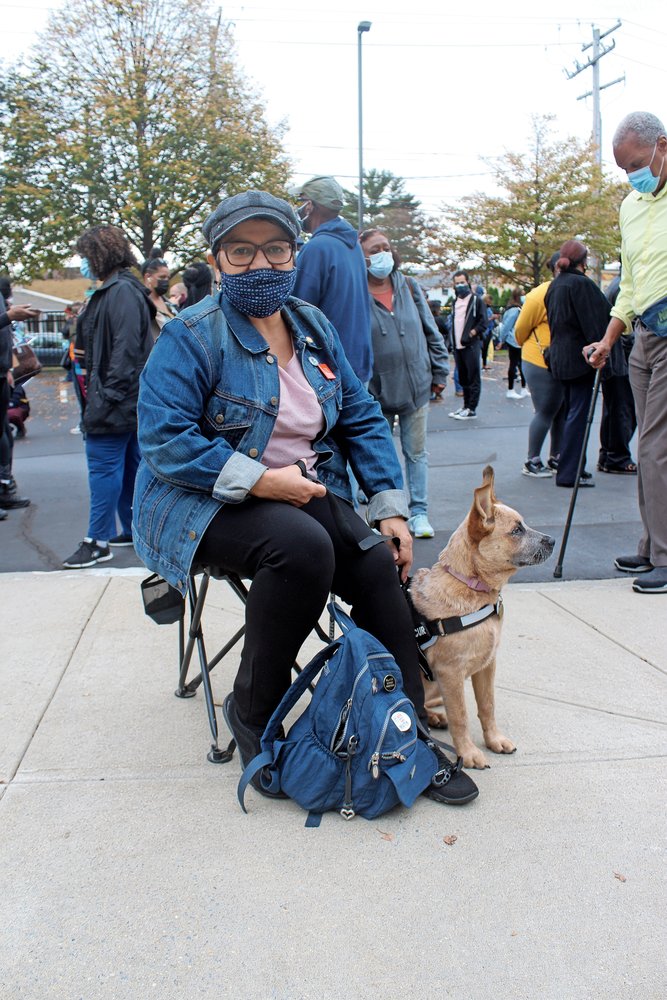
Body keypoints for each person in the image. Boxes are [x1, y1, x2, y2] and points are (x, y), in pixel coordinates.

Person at [132, 189, 477, 806]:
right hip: (202, 500)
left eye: (275, 249)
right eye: (241, 252)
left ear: (295, 252)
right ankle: (254, 714)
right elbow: (165, 441)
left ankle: (405, 731)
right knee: (301, 547)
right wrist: (264, 481)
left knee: (374, 556)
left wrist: (390, 506)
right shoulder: (191, 335)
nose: (260, 265)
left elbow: (363, 417)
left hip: (303, 489)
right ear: (217, 260)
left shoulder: (312, 325)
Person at [587, 111, 667, 595]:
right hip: (643, 334)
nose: (632, 177)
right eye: (623, 170)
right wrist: (610, 338)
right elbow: (631, 282)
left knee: (657, 447)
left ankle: (664, 555)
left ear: (663, 146)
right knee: (647, 448)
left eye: (636, 164)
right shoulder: (632, 206)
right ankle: (652, 542)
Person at [62, 224, 155, 567]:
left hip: (115, 401)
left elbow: (125, 350)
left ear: (99, 255)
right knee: (129, 466)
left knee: (103, 468)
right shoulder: (122, 290)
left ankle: (96, 540)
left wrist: (106, 397)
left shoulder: (121, 292)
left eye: (86, 256)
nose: (84, 262)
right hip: (123, 400)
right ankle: (132, 529)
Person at [359, 229, 449, 539]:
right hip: (377, 394)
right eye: (374, 249)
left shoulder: (409, 286)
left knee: (416, 454)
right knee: (379, 456)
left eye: (386, 246)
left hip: (417, 388)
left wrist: (440, 373)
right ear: (361, 256)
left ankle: (419, 512)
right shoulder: (356, 294)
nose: (382, 253)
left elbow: (431, 331)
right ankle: (385, 512)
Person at [290, 175, 372, 383]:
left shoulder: (317, 249)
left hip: (330, 369)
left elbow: (297, 313)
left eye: (302, 202)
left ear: (310, 205)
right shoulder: (352, 247)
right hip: (357, 363)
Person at [545, 239, 610, 489]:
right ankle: (570, 471)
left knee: (570, 413)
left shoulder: (556, 285)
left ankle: (570, 466)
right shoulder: (581, 284)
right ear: (583, 261)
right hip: (579, 358)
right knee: (578, 415)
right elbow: (596, 321)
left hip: (560, 357)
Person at [515, 252, 566, 477]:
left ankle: (556, 457)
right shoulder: (540, 294)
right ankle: (532, 460)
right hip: (539, 359)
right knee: (546, 409)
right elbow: (520, 329)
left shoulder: (570, 291)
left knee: (560, 411)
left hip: (561, 360)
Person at [0, 279, 35, 514]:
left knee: (5, 436)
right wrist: (9, 316)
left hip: (2, 374)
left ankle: (4, 488)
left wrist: (8, 369)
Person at [597, 270, 637, 475]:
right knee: (623, 408)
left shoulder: (616, 285)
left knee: (613, 407)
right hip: (622, 357)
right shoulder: (625, 287)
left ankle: (609, 454)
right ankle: (617, 456)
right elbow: (627, 327)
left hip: (615, 356)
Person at [447, 270, 487, 420]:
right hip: (457, 346)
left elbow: (483, 322)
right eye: (457, 283)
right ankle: (465, 406)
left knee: (473, 377)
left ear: (468, 282)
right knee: (463, 377)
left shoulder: (476, 301)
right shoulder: (455, 302)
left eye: (462, 282)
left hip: (470, 345)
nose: (460, 286)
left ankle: (472, 408)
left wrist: (472, 333)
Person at [498, 288, 528, 399]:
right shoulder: (514, 310)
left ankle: (523, 388)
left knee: (521, 364)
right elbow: (507, 327)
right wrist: (502, 340)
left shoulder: (517, 309)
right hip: (514, 341)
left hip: (517, 340)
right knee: (514, 364)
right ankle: (511, 389)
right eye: (523, 295)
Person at [141, 251, 178, 340]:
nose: (166, 281)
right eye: (162, 277)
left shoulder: (169, 304)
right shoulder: (141, 305)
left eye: (168, 278)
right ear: (148, 277)